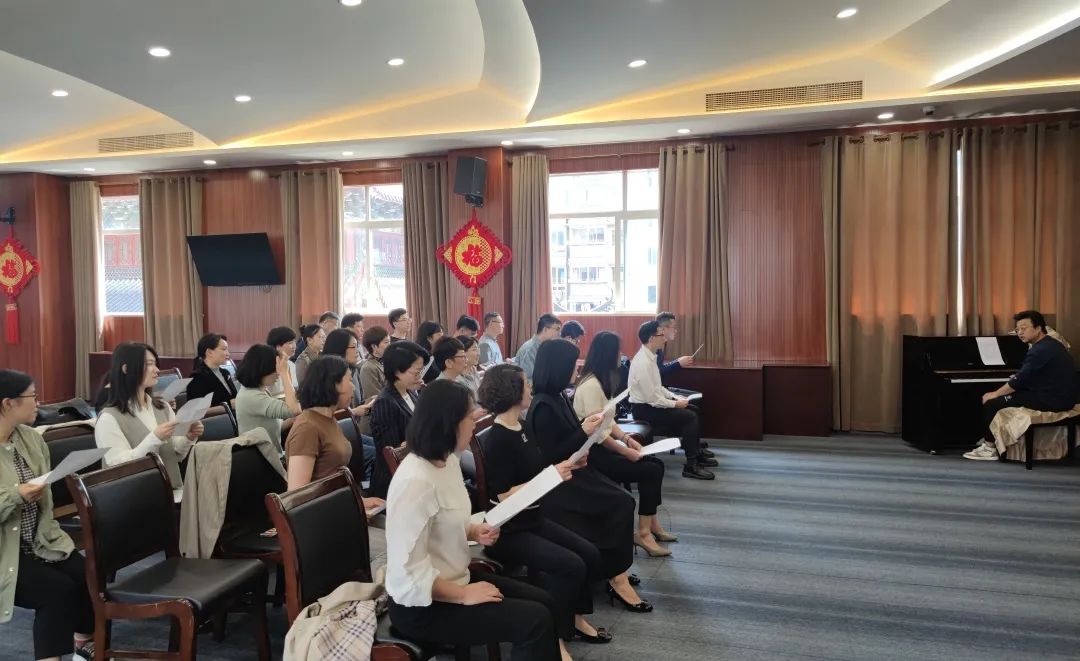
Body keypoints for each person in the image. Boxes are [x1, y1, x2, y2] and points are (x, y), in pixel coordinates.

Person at [386, 379, 562, 661]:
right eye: (469, 416)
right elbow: (407, 573)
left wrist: (473, 531)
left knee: (546, 601)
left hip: (453, 579)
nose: (476, 422)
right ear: (449, 423)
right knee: (535, 621)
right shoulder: (415, 483)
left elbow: (443, 523)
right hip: (423, 605)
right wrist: (462, 595)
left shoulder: (447, 460)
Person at [479, 364, 613, 646]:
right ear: (513, 392)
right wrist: (552, 476)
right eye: (525, 384)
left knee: (589, 553)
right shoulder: (498, 438)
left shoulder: (522, 426)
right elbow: (504, 495)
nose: (530, 387)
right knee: (570, 565)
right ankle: (558, 637)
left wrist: (569, 464)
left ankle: (574, 618)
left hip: (533, 518)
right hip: (509, 529)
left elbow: (538, 467)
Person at [525, 339, 652, 613]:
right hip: (558, 483)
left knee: (622, 499)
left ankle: (613, 568)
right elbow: (550, 455)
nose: (577, 369)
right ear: (559, 367)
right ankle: (616, 577)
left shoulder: (558, 396)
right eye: (573, 365)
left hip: (575, 470)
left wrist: (583, 440)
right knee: (621, 503)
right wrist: (583, 432)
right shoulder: (543, 405)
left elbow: (567, 442)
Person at [0, 370, 96, 661]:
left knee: (87, 574)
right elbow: (17, 495)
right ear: (7, 403)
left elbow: (46, 498)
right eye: (33, 396)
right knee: (56, 592)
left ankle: (85, 644)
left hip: (38, 539)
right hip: (6, 552)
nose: (38, 403)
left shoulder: (30, 438)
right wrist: (17, 495)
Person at [575, 331, 675, 556]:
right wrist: (624, 451)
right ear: (608, 354)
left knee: (656, 465)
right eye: (618, 351)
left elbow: (608, 422)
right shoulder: (591, 385)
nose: (621, 355)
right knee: (651, 470)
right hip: (594, 454)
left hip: (604, 445)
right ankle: (644, 533)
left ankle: (651, 523)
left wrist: (628, 439)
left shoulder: (601, 381)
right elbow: (597, 434)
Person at [964, 310, 1080, 460]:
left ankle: (990, 448)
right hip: (1059, 396)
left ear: (1038, 328)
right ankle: (992, 437)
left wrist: (996, 393)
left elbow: (1019, 380)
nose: (1019, 333)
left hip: (1053, 400)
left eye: (1024, 328)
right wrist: (1018, 380)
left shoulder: (1040, 350)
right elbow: (1033, 375)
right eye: (1017, 329)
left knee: (992, 403)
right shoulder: (1050, 344)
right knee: (1005, 396)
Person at [96, 343, 204, 491]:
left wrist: (188, 437)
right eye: (149, 364)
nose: (157, 370)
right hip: (135, 497)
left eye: (155, 364)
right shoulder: (108, 418)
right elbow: (118, 468)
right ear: (126, 369)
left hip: (172, 490)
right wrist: (155, 438)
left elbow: (175, 455)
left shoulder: (163, 407)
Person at [628, 321, 715, 480]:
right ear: (651, 338)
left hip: (651, 404)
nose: (665, 339)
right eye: (661, 335)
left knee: (693, 409)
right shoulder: (642, 363)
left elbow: (658, 388)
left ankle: (695, 454)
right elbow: (652, 399)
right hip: (644, 409)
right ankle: (690, 465)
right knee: (690, 416)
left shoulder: (650, 357)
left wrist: (675, 397)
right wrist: (676, 404)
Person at [369, 342, 426, 498]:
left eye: (421, 371)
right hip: (396, 480)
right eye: (416, 372)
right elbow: (391, 454)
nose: (420, 377)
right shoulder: (385, 402)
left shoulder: (409, 391)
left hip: (416, 466)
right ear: (397, 371)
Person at [321, 329, 378, 481]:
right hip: (336, 433)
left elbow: (353, 403)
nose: (358, 350)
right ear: (340, 348)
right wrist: (354, 411)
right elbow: (325, 414)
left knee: (381, 445)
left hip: (350, 428)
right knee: (376, 453)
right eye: (354, 346)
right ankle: (365, 487)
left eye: (358, 345)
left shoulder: (352, 371)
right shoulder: (327, 376)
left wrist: (368, 402)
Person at [234, 344, 301, 455]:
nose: (277, 374)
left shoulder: (259, 390)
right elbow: (294, 410)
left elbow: (276, 427)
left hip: (270, 454)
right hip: (261, 458)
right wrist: (285, 373)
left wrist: (294, 419)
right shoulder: (252, 396)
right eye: (275, 370)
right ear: (262, 370)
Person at [186, 332, 237, 407]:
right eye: (224, 349)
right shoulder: (197, 377)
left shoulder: (225, 373)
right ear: (209, 352)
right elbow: (196, 410)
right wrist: (229, 405)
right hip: (221, 414)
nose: (228, 353)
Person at [515, 314, 562, 381]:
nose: (559, 333)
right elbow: (527, 380)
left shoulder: (547, 346)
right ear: (545, 329)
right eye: (557, 329)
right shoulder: (530, 350)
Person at [359, 326, 392, 413]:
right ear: (374, 346)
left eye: (389, 341)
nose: (390, 345)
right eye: (386, 342)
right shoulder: (368, 368)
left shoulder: (387, 362)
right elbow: (376, 399)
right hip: (377, 415)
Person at [654, 312, 695, 379]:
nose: (675, 331)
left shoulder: (661, 343)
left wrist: (677, 361)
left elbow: (661, 367)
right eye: (673, 327)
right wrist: (678, 363)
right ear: (663, 329)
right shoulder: (654, 346)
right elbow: (657, 372)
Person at [265, 326, 299, 397]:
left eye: (294, 342)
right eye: (290, 343)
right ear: (277, 346)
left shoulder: (291, 365)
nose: (294, 346)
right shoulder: (268, 366)